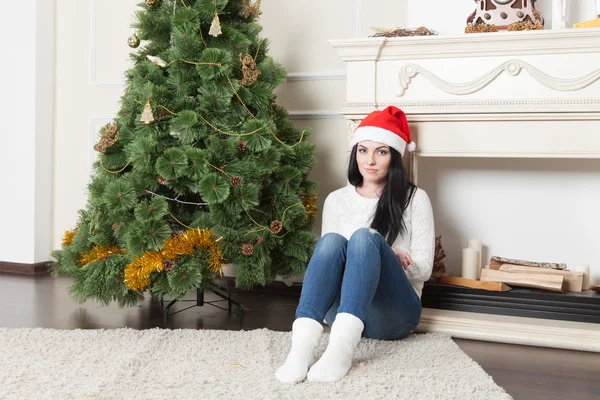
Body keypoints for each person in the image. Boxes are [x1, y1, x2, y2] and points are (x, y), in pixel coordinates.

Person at [275, 106, 435, 383]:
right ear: (355, 153)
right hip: (342, 315)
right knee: (331, 241)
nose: (369, 160)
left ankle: (341, 350)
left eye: (381, 151)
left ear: (394, 157)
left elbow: (424, 270)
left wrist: (387, 256)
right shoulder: (336, 200)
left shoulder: (414, 199)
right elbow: (329, 262)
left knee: (364, 237)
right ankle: (301, 348)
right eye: (363, 150)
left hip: (395, 316)